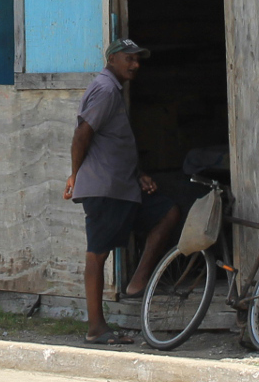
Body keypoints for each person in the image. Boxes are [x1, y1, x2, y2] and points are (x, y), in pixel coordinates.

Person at [66, 39, 184, 345]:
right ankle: (96, 327)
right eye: (129, 59)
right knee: (97, 255)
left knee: (167, 212)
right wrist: (76, 175)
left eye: (137, 60)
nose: (135, 65)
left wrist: (138, 174)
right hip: (105, 189)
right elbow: (82, 135)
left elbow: (112, 143)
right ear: (112, 60)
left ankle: (137, 282)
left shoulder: (113, 90)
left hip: (123, 187)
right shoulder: (105, 90)